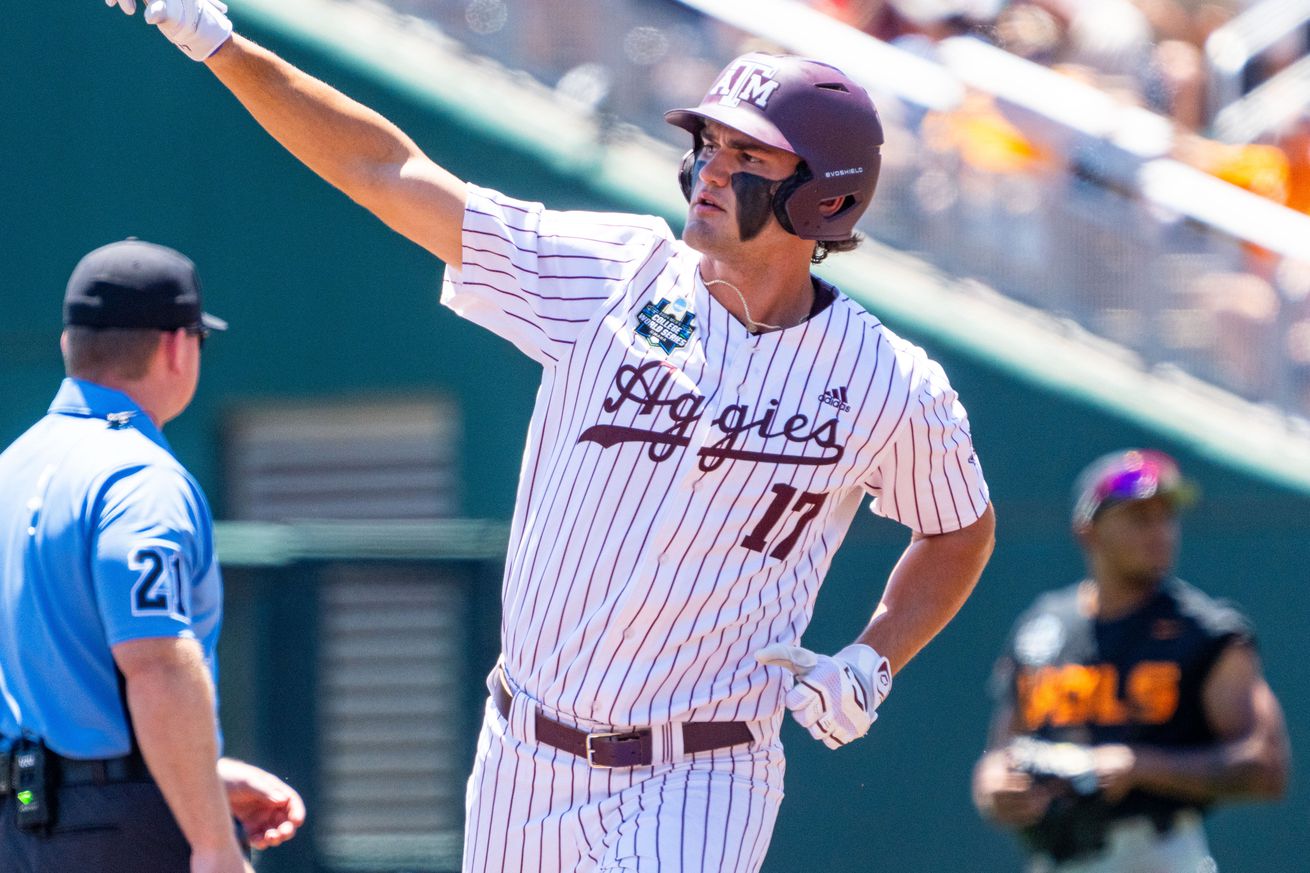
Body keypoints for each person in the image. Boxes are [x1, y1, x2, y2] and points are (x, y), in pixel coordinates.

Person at [104, 4, 996, 870]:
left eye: (749, 153)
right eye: (708, 145)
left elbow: (959, 525)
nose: (712, 169)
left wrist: (875, 656)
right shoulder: (615, 272)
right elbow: (389, 172)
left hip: (704, 765)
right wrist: (217, 43)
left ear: (826, 194)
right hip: (522, 755)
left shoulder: (887, 379)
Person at [0, 239, 306, 873]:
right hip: (117, 830)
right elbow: (157, 665)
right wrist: (214, 841)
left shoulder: (12, 470)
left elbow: (68, 689)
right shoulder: (139, 479)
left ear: (69, 344)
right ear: (177, 345)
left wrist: (197, 774)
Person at [972, 449, 1289, 873]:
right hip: (1054, 858)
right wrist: (993, 786)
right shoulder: (1042, 627)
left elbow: (1265, 766)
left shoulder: (1203, 631)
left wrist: (1140, 766)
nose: (1159, 531)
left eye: (1167, 517)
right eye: (1140, 517)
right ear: (1089, 529)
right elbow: (1000, 752)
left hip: (1155, 854)